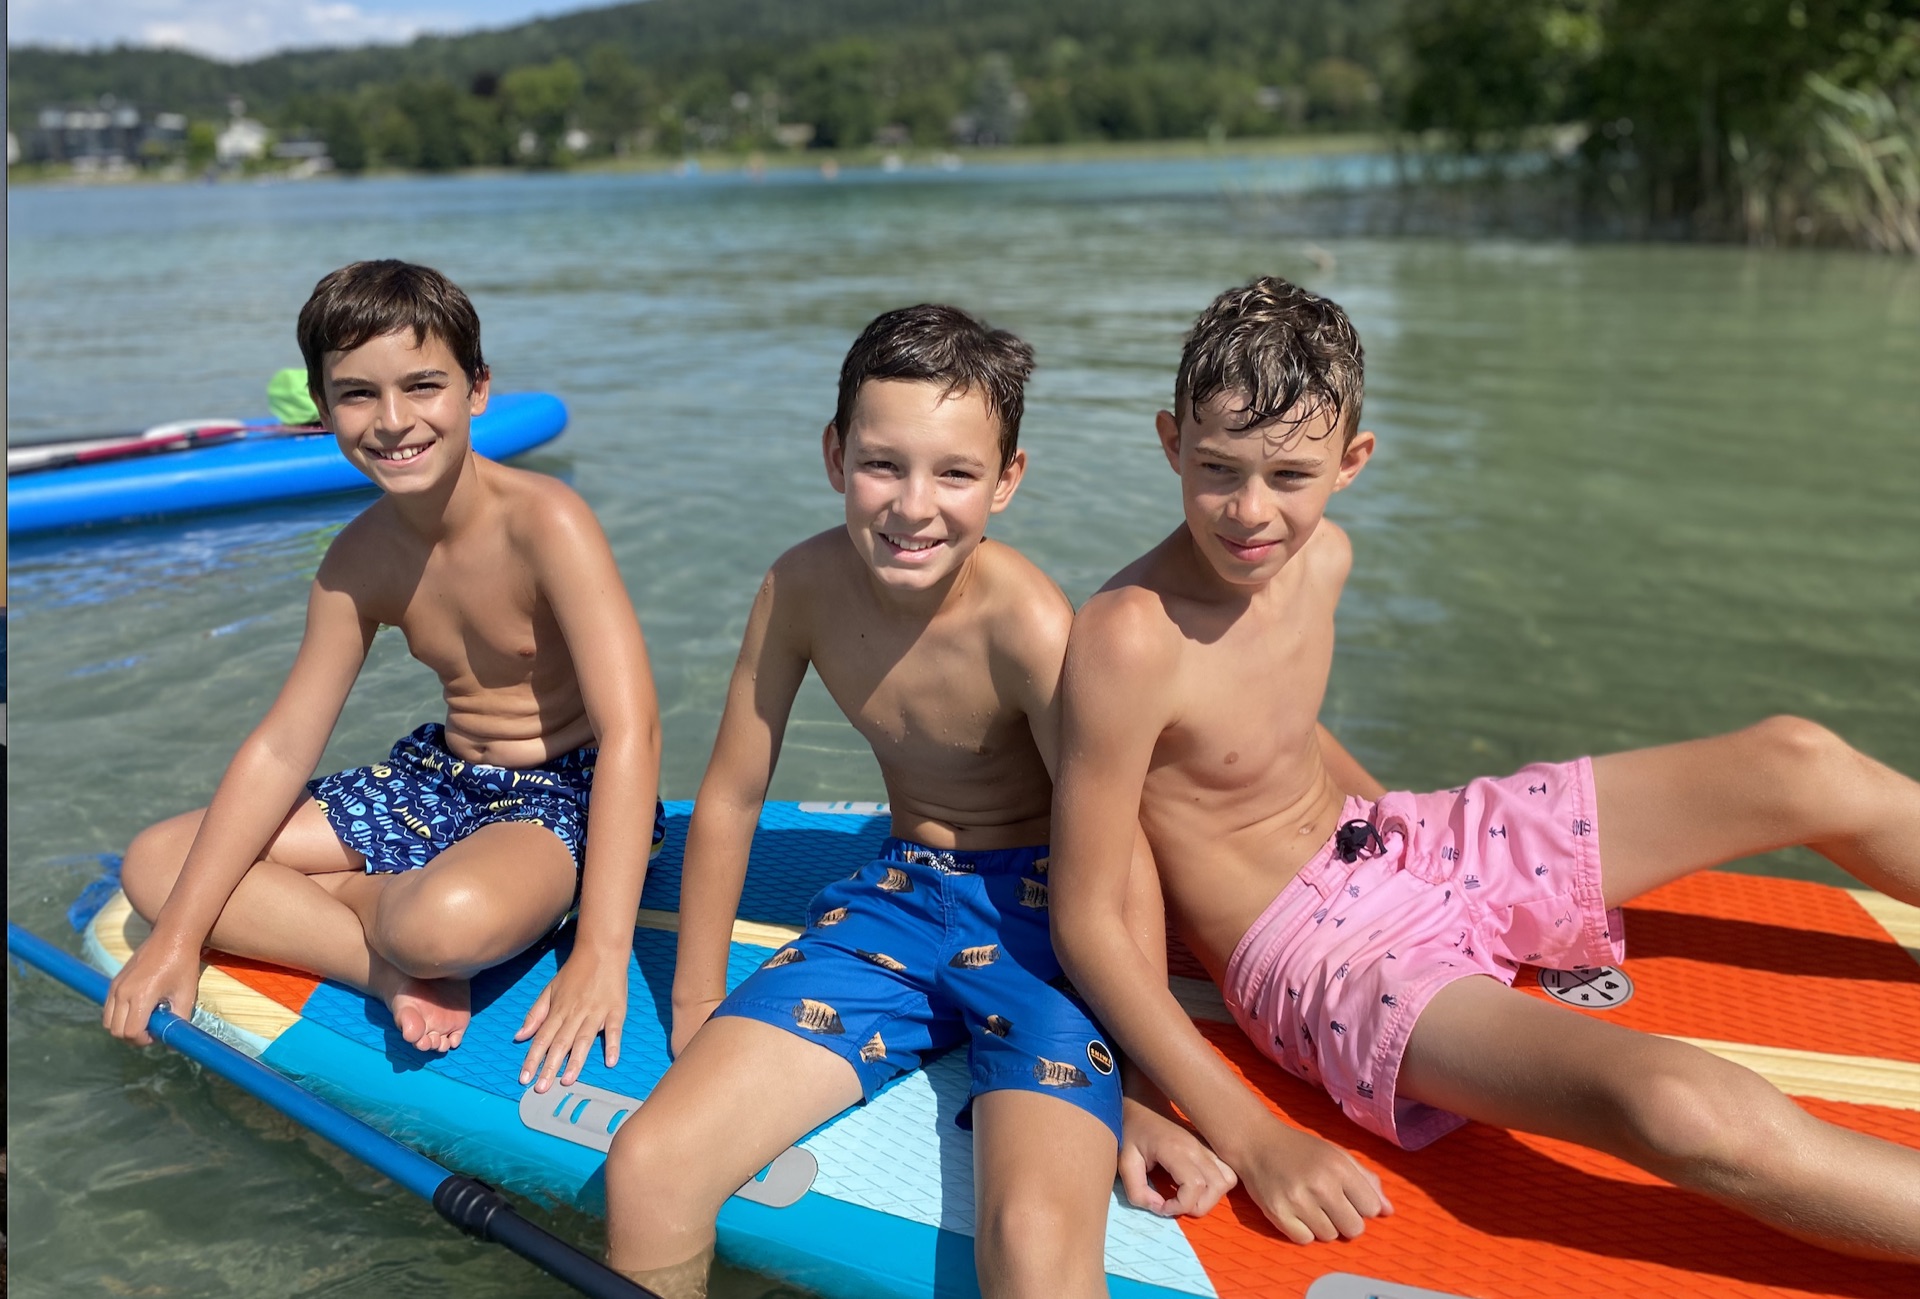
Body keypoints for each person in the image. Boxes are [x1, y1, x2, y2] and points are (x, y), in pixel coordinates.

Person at [1048, 275, 1920, 1259]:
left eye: (1289, 476)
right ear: (1171, 443)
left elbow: (1278, 735)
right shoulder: (1128, 640)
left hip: (1402, 837)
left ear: (1352, 463)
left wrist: (1411, 839)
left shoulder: (1320, 558)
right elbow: (1085, 913)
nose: (1250, 512)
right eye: (1217, 469)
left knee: (1798, 761)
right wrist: (1245, 1128)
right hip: (1320, 953)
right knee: (1681, 1107)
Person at [603, 304, 1237, 1299]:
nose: (913, 506)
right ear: (833, 455)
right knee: (650, 1167)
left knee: (1029, 1243)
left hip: (1050, 925)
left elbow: (1118, 852)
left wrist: (1144, 1090)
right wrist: (693, 1002)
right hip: (899, 897)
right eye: (882, 464)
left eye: (955, 473)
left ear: (1007, 481)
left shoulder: (1026, 622)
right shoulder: (800, 586)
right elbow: (729, 794)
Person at [105, 260, 664, 1098]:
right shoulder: (356, 560)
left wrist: (600, 953)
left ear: (477, 391)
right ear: (323, 409)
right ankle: (379, 960)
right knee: (156, 865)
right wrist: (178, 937)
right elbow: (285, 743)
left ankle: (376, 911)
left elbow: (634, 729)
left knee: (440, 926)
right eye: (358, 394)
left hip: (559, 796)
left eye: (423, 385)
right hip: (435, 780)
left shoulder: (547, 521)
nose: (393, 420)